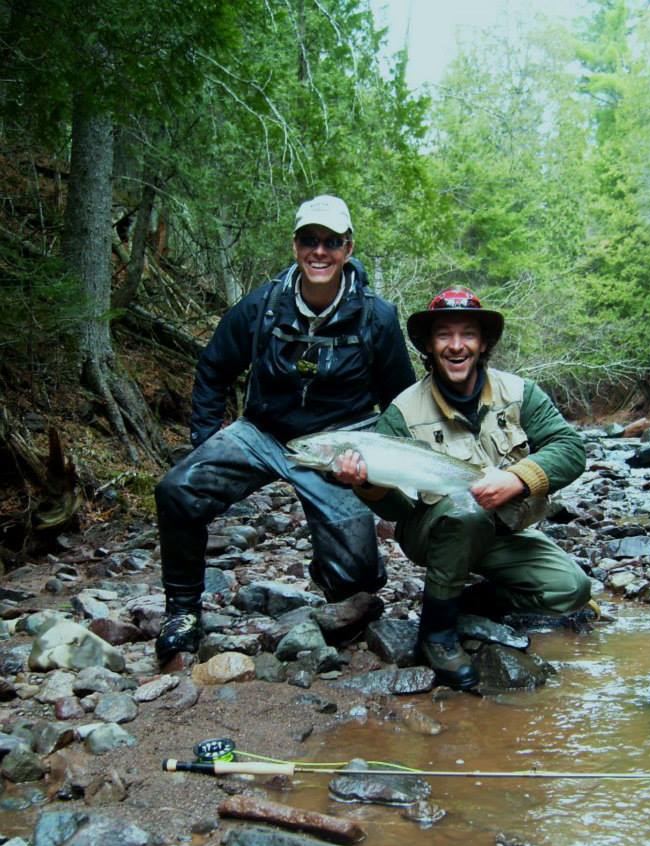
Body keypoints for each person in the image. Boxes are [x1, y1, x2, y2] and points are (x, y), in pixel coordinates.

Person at [154, 195, 415, 664]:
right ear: (295, 246)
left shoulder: (378, 317)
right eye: (310, 240)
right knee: (177, 491)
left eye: (331, 242)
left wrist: (382, 469)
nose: (320, 252)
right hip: (263, 431)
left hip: (341, 444)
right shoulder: (263, 305)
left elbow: (401, 401)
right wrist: (205, 439)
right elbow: (213, 366)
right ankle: (182, 612)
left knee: (357, 582)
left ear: (348, 248)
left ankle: (340, 561)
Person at [334, 286, 592, 690]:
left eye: (468, 334)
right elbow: (398, 511)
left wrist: (518, 479)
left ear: (483, 342)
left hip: (503, 530)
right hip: (433, 532)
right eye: (444, 335)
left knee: (571, 589)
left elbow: (571, 450)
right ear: (429, 345)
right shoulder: (402, 412)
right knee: (466, 510)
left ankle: (459, 602)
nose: (456, 346)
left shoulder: (521, 394)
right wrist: (365, 484)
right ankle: (437, 633)